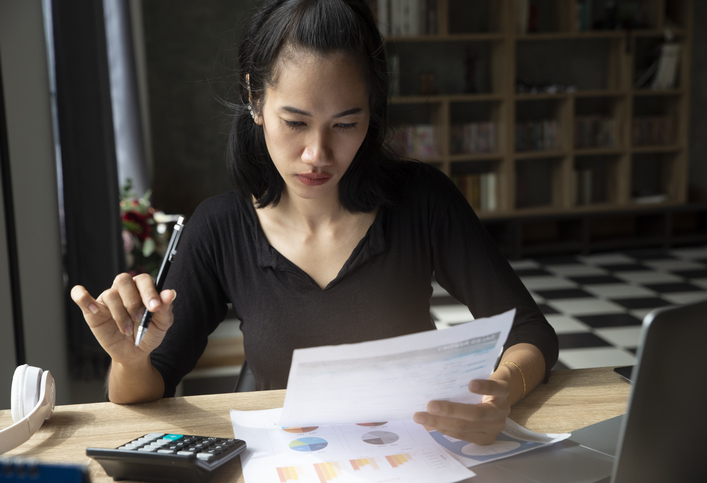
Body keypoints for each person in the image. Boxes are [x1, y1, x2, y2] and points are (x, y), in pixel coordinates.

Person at [71, 0, 558, 446]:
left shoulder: (422, 201)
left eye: (346, 124)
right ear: (255, 100)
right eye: (296, 122)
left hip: (413, 460)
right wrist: (130, 361)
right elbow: (147, 390)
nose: (317, 155)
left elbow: (530, 332)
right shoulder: (220, 228)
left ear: (373, 111)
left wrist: (503, 389)